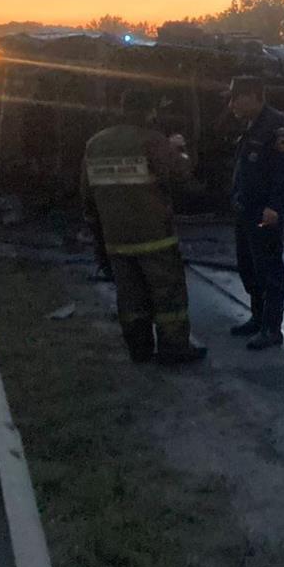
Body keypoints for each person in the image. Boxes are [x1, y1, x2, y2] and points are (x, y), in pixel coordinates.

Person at [82, 89, 206, 364]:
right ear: (149, 112)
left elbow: (87, 196)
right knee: (167, 294)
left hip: (115, 239)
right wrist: (179, 150)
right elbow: (180, 174)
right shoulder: (153, 141)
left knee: (130, 296)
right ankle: (174, 349)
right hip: (154, 237)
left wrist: (97, 235)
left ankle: (139, 348)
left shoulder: (95, 144)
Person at [226, 76, 284, 350]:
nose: (232, 104)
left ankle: (272, 328)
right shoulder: (251, 125)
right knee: (248, 267)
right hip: (246, 209)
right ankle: (257, 318)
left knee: (269, 269)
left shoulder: (276, 126)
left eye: (236, 98)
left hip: (264, 211)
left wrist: (275, 207)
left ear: (255, 96)